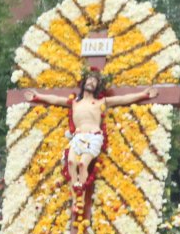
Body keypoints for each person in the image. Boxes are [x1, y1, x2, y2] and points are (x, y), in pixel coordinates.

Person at [23, 69, 157, 191]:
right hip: (77, 137)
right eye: (90, 79)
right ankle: (76, 189)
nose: (91, 82)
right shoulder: (75, 102)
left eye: (95, 81)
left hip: (93, 136)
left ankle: (81, 188)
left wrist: (143, 95)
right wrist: (38, 96)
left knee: (82, 164)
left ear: (97, 87)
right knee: (70, 162)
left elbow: (122, 99)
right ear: (84, 82)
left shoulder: (101, 102)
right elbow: (55, 99)